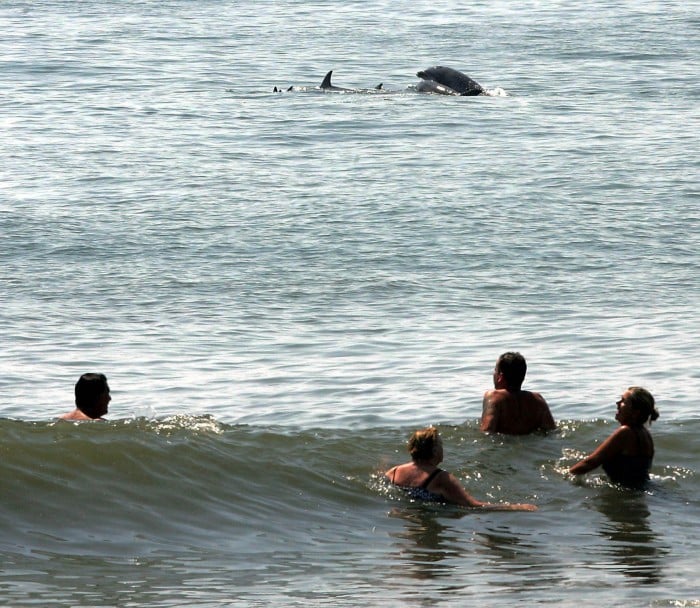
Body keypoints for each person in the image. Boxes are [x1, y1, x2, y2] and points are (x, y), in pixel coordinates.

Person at [385, 427, 537, 511]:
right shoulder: (441, 478)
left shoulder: (393, 472)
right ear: (435, 451)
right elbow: (473, 505)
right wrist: (516, 507)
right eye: (441, 445)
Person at [570, 387, 658, 487]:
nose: (618, 403)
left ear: (635, 412)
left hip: (626, 495)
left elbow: (590, 463)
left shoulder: (625, 432)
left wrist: (563, 476)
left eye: (623, 401)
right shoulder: (645, 433)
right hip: (641, 490)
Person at [480, 352, 556, 434]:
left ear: (500, 377)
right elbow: (552, 431)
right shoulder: (537, 399)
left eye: (495, 371)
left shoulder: (494, 397)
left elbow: (487, 431)